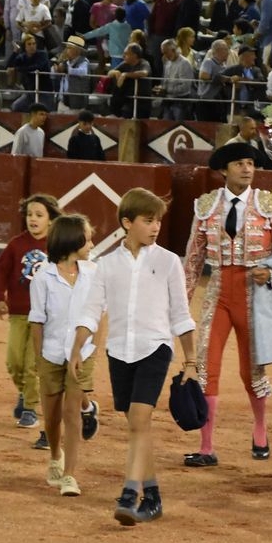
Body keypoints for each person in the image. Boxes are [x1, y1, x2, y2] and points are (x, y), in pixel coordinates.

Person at [72, 188, 197, 525]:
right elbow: (91, 310)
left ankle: (130, 493)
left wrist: (191, 361)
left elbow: (181, 316)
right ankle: (153, 495)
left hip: (155, 349)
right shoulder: (106, 265)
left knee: (139, 422)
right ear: (127, 222)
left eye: (158, 220)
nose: (155, 226)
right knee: (137, 426)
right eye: (148, 220)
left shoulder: (169, 261)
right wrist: (77, 348)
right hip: (119, 352)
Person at [182, 143, 272, 468]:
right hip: (218, 292)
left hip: (255, 297)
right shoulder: (206, 205)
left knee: (251, 371)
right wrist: (182, 301)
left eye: (251, 163)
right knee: (205, 368)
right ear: (224, 169)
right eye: (240, 163)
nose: (247, 168)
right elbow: (195, 255)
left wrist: (269, 271)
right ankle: (206, 446)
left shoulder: (269, 204)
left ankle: (259, 430)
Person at [30, 214, 99, 498]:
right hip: (51, 353)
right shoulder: (42, 278)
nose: (92, 242)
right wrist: (38, 359)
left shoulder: (94, 273)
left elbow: (99, 313)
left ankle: (70, 475)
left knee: (71, 412)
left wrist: (95, 346)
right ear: (73, 240)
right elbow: (37, 322)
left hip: (82, 352)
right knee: (51, 415)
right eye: (88, 237)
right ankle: (55, 455)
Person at [0, 193, 62, 444]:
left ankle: (30, 408)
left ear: (51, 220)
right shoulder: (15, 245)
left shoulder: (56, 246)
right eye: (30, 214)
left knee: (33, 364)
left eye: (39, 215)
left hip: (45, 317)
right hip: (19, 313)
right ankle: (24, 393)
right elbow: (1, 272)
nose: (33, 219)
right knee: (14, 361)